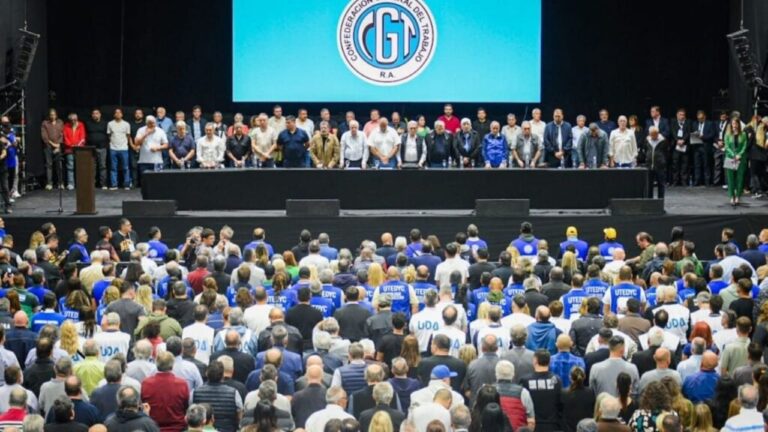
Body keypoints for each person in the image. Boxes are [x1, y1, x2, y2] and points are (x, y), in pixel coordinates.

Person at [520, 349, 562, 431]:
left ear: (535, 360)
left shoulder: (525, 380)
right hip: (553, 425)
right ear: (549, 361)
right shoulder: (556, 380)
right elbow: (560, 404)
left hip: (532, 425)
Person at [495, 360, 536, 430]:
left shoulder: (488, 391)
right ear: (513, 374)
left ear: (496, 374)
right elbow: (531, 421)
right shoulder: (523, 392)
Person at [132, 115, 168, 181]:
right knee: (145, 182)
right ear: (147, 123)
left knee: (157, 181)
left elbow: (166, 145)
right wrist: (146, 134)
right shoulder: (141, 130)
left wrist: (158, 148)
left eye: (154, 123)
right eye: (150, 123)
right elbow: (136, 143)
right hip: (144, 161)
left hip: (157, 161)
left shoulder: (160, 131)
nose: (153, 125)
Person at [106, 108, 132, 189]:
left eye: (119, 113)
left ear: (122, 114)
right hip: (113, 148)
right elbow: (109, 135)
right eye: (116, 113)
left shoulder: (126, 124)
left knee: (125, 167)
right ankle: (114, 185)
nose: (118, 114)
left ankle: (126, 184)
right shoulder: (110, 124)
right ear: (114, 114)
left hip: (124, 148)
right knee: (113, 168)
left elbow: (128, 136)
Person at [725, 117, 748, 205]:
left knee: (740, 178)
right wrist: (733, 155)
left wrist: (739, 155)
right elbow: (726, 146)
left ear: (738, 124)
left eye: (735, 123)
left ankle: (738, 196)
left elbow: (744, 146)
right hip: (730, 158)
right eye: (733, 123)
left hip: (740, 159)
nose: (734, 125)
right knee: (730, 179)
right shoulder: (727, 134)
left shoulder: (743, 134)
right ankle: (731, 196)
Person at [41, 108, 65, 190]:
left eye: (54, 114)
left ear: (56, 115)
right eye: (51, 115)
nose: (52, 116)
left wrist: (58, 145)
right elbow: (44, 136)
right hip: (48, 146)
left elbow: (62, 134)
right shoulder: (45, 123)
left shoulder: (60, 122)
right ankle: (49, 183)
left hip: (58, 146)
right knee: (49, 165)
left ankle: (60, 183)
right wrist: (52, 144)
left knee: (59, 164)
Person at [62, 113, 86, 190]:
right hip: (69, 149)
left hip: (79, 149)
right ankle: (71, 183)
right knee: (70, 167)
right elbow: (65, 137)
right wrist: (71, 145)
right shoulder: (66, 126)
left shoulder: (81, 125)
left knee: (79, 167)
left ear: (77, 119)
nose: (73, 121)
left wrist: (78, 145)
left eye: (75, 119)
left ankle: (80, 183)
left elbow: (82, 137)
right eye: (71, 120)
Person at [644, 126, 669, 198]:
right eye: (651, 134)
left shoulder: (663, 140)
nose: (653, 136)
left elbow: (666, 152)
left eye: (654, 134)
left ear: (658, 133)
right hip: (649, 165)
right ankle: (649, 202)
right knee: (649, 185)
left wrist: (663, 160)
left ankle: (660, 202)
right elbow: (645, 149)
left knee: (661, 184)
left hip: (660, 166)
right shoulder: (647, 139)